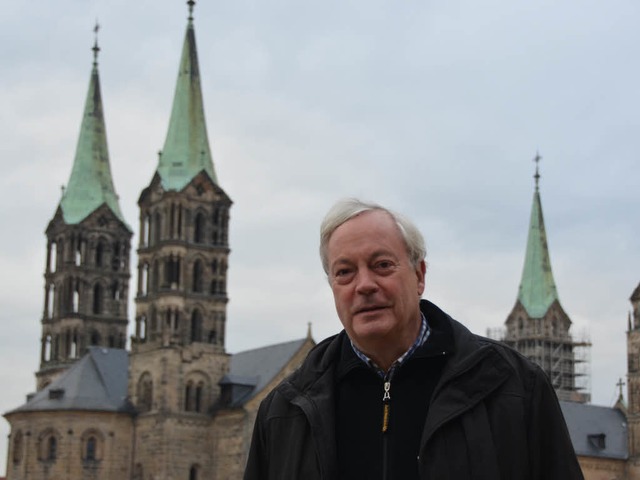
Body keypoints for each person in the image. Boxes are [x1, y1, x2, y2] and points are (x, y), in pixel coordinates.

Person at [244, 198, 584, 480]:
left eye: (382, 265)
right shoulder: (283, 411)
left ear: (419, 275)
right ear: (332, 285)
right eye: (344, 271)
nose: (364, 285)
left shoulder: (516, 388)